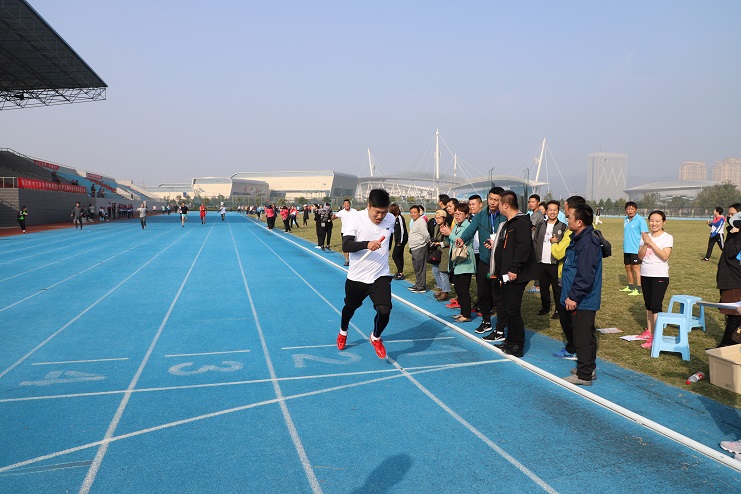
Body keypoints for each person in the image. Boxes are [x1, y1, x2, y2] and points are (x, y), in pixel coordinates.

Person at [336, 188, 396, 359]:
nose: (380, 216)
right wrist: (366, 244)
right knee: (350, 307)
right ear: (369, 206)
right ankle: (343, 331)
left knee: (385, 310)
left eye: (384, 212)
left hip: (380, 275)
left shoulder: (391, 219)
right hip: (357, 277)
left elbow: (389, 239)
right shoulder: (355, 218)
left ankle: (375, 337)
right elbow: (346, 245)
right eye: (377, 212)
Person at [449, 187, 507, 338]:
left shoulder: (505, 216)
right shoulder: (481, 216)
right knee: (482, 294)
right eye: (490, 198)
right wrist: (462, 239)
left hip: (500, 262)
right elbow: (470, 230)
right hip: (484, 260)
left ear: (501, 201)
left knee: (498, 296)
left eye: (496, 200)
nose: (492, 202)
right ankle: (486, 321)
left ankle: (500, 327)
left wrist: (497, 243)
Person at [560, 203, 603, 386]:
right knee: (585, 334)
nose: (567, 219)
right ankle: (587, 368)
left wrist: (574, 296)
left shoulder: (587, 242)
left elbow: (585, 274)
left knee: (582, 337)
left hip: (584, 298)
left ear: (579, 222)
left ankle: (584, 375)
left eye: (569, 217)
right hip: (581, 296)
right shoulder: (580, 238)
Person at [493, 191, 536, 357]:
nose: (497, 206)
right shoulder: (508, 223)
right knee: (507, 308)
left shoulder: (521, 222)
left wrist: (514, 269)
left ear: (505, 205)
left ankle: (518, 344)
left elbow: (523, 247)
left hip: (516, 274)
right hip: (506, 273)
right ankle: (510, 340)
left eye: (499, 203)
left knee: (513, 309)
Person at [551, 195, 587, 359]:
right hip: (568, 278)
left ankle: (574, 348)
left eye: (565, 206)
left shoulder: (575, 233)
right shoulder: (577, 231)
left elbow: (559, 253)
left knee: (570, 317)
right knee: (571, 317)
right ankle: (574, 347)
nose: (563, 209)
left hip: (570, 281)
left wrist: (554, 243)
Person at [637, 211, 673, 349]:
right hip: (645, 274)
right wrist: (645, 243)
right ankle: (649, 332)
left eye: (657, 221)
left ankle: (656, 337)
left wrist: (651, 243)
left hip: (659, 275)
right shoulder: (646, 237)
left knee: (655, 306)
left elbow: (664, 256)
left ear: (664, 222)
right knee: (648, 306)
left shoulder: (667, 237)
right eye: (652, 220)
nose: (654, 223)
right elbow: (640, 256)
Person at [534, 200, 567, 316]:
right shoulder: (541, 225)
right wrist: (537, 256)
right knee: (543, 288)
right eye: (550, 210)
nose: (552, 212)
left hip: (555, 263)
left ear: (558, 211)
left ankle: (558, 309)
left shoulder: (563, 227)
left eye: (555, 210)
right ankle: (545, 307)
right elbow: (535, 241)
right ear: (546, 211)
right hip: (542, 262)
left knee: (557, 289)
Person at [715, 204, 741, 347]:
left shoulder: (738, 235)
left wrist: (732, 233)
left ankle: (726, 346)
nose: (729, 217)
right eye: (728, 214)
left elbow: (730, 252)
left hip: (735, 281)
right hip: (729, 279)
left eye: (732, 214)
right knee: (731, 315)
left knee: (734, 316)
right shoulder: (735, 232)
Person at [447, 203, 476, 322]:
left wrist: (450, 234)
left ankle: (466, 315)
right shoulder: (456, 226)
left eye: (460, 214)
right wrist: (447, 234)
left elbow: (460, 241)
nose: (457, 216)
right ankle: (463, 312)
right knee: (458, 289)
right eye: (456, 214)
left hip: (465, 262)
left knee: (463, 290)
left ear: (467, 215)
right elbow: (452, 241)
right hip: (456, 261)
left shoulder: (468, 226)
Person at [620, 201, 648, 296]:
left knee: (636, 268)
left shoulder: (640, 220)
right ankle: (630, 286)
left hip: (635, 249)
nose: (630, 211)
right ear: (626, 210)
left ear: (636, 210)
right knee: (628, 267)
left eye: (632, 209)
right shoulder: (625, 219)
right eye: (628, 209)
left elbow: (644, 234)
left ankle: (639, 288)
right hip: (626, 248)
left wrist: (641, 247)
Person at [407, 205, 430, 293]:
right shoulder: (415, 221)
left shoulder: (421, 221)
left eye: (415, 212)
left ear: (419, 213)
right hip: (414, 247)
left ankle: (421, 286)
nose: (413, 214)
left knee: (420, 267)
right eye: (411, 212)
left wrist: (426, 243)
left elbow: (426, 234)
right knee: (417, 267)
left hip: (420, 247)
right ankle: (418, 284)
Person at [430, 210, 452, 302]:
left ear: (444, 218)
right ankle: (441, 288)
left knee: (443, 272)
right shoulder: (436, 227)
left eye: (439, 218)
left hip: (445, 252)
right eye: (436, 218)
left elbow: (449, 241)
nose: (437, 219)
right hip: (437, 252)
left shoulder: (447, 228)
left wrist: (439, 243)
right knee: (435, 270)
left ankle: (445, 291)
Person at [333, 199, 357, 266]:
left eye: (347, 203)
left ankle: (353, 260)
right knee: (345, 246)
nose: (346, 205)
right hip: (344, 232)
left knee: (354, 246)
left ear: (350, 204)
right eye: (345, 204)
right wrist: (331, 216)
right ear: (343, 205)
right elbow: (334, 217)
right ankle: (347, 260)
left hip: (354, 231)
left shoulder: (354, 211)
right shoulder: (341, 212)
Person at [389, 203, 407, 280]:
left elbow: (402, 230)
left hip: (401, 240)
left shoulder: (400, 218)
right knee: (399, 256)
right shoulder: (394, 218)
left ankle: (400, 273)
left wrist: (400, 241)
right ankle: (400, 272)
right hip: (398, 240)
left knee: (395, 255)